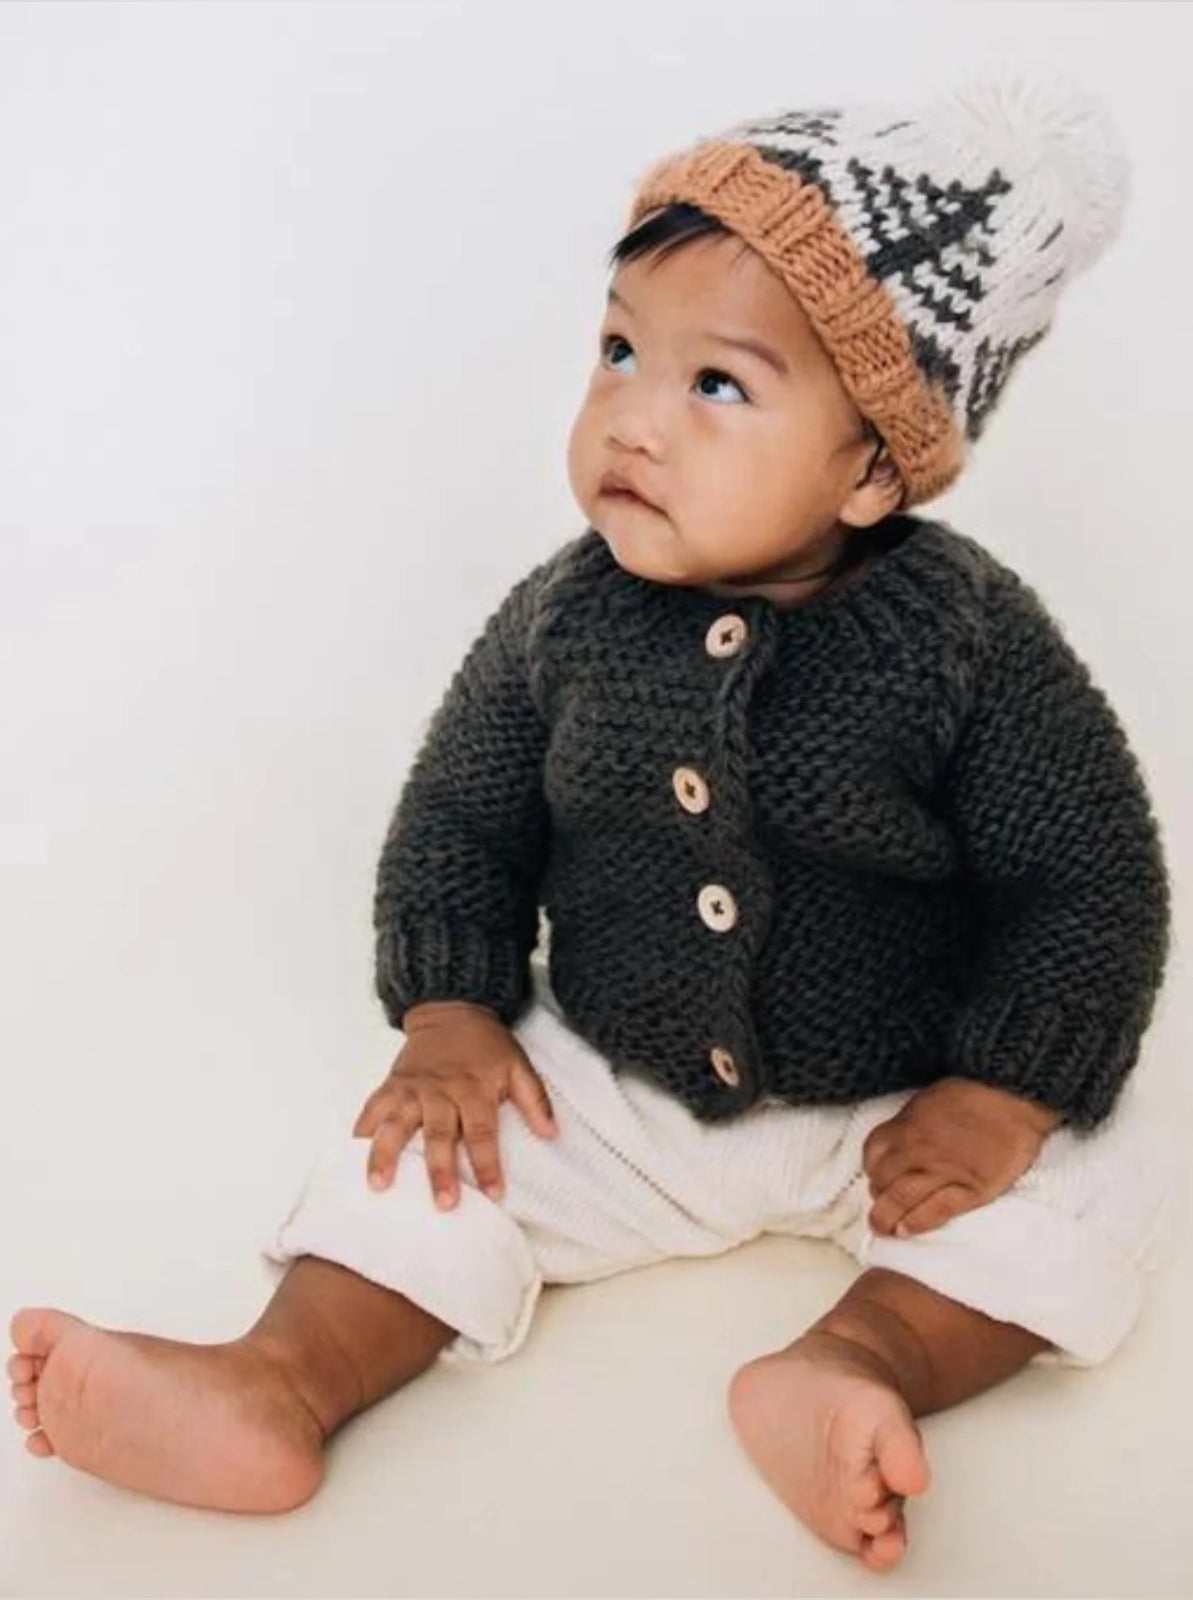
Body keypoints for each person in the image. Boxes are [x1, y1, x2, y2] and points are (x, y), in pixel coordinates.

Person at [7, 74, 1176, 1574]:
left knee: (1098, 1183)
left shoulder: (961, 643)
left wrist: (1005, 1091)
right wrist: (449, 1014)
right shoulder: (567, 618)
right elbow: (460, 816)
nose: (633, 415)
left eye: (716, 385)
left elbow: (1087, 877)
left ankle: (859, 1361)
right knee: (417, 1164)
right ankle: (276, 1379)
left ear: (877, 461)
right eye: (619, 350)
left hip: (904, 1100)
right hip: (607, 1077)